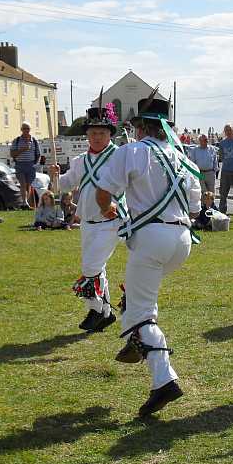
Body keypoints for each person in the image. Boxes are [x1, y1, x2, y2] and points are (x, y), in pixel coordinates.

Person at [94, 95, 201, 417]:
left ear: (139, 126)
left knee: (141, 313)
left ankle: (163, 378)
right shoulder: (186, 160)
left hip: (151, 238)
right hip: (182, 240)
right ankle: (137, 337)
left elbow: (103, 193)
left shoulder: (132, 151)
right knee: (139, 298)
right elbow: (195, 207)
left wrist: (109, 210)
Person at [50, 106, 125, 333]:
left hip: (112, 221)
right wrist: (54, 175)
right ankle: (106, 313)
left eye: (102, 133)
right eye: (92, 133)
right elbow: (65, 185)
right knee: (97, 266)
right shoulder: (80, 160)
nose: (96, 137)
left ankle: (96, 309)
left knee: (90, 266)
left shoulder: (119, 157)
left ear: (110, 133)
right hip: (87, 222)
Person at [9, 121, 41, 208]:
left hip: (30, 165)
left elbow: (38, 154)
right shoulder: (17, 140)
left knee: (28, 185)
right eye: (24, 129)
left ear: (30, 130)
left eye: (28, 129)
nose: (26, 130)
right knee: (23, 184)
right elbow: (12, 154)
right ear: (21, 130)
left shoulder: (34, 140)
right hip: (20, 165)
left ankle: (26, 202)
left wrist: (35, 163)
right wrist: (22, 149)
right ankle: (24, 202)